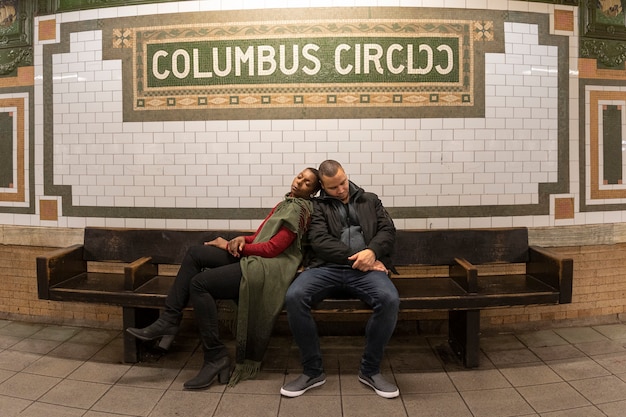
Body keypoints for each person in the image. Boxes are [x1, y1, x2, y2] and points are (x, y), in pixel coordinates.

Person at [126, 168, 321, 390]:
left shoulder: (298, 210)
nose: (299, 183)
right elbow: (259, 237)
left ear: (313, 191)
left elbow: (273, 248)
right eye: (299, 177)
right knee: (195, 253)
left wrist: (239, 247)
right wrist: (236, 240)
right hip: (258, 258)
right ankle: (169, 320)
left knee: (199, 284)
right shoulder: (286, 203)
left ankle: (215, 357)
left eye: (307, 183)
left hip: (268, 268)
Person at [281, 160, 400, 399]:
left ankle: (370, 370)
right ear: (323, 187)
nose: (342, 190)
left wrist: (373, 252)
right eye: (334, 187)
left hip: (367, 271)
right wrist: (359, 259)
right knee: (294, 297)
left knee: (389, 299)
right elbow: (320, 242)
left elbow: (388, 230)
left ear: (346, 176)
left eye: (343, 182)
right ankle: (312, 371)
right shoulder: (315, 207)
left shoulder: (370, 200)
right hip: (326, 268)